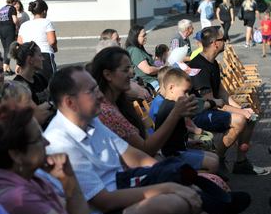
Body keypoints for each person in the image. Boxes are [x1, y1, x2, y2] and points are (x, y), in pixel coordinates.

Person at [45, 65, 214, 214]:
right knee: (173, 204)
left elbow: (136, 157)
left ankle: (213, 201)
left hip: (124, 187)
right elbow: (104, 201)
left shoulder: (90, 119)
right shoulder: (60, 143)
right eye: (92, 91)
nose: (101, 96)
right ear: (69, 103)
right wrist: (168, 187)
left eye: (97, 88)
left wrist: (167, 174)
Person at [0, 102, 91, 214]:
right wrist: (70, 181)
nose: (47, 142)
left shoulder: (25, 177)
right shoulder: (19, 199)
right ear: (16, 154)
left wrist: (67, 178)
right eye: (38, 138)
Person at [188, 26, 270, 175]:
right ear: (215, 43)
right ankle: (217, 159)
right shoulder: (198, 66)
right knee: (239, 120)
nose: (226, 41)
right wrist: (241, 112)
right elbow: (212, 102)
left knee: (251, 116)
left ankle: (241, 162)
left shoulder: (213, 63)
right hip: (198, 114)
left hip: (212, 107)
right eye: (223, 39)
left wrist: (244, 109)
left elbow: (222, 93)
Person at [90, 46, 197, 157]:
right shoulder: (107, 112)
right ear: (108, 74)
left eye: (131, 68)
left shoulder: (119, 104)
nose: (132, 74)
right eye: (126, 70)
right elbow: (146, 150)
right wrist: (175, 113)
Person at [155, 68, 219, 173]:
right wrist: (212, 103)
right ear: (171, 88)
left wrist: (189, 143)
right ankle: (199, 184)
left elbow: (174, 138)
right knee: (213, 163)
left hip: (179, 150)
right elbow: (167, 145)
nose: (187, 96)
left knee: (214, 157)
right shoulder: (171, 108)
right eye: (185, 92)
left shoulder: (172, 106)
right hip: (172, 156)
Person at [9, 41, 54, 128]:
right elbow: (30, 116)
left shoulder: (40, 78)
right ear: (30, 60)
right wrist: (51, 104)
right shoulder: (18, 86)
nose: (43, 59)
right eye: (40, 55)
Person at [18, 0, 57, 81]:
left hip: (28, 57)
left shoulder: (24, 25)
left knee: (32, 82)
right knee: (49, 82)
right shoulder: (46, 22)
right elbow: (52, 41)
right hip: (44, 54)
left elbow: (20, 43)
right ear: (44, 11)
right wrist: (55, 48)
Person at [126, 25, 160, 91]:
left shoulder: (139, 48)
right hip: (149, 83)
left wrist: (160, 61)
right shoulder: (134, 50)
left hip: (152, 80)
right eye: (143, 35)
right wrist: (161, 69)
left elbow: (152, 61)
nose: (145, 37)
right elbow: (148, 70)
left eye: (145, 35)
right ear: (135, 37)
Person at [0, 0, 18, 75]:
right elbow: (15, 20)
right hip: (9, 29)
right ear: (13, 2)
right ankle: (4, 69)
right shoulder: (12, 8)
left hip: (0, 29)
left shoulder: (1, 9)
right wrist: (17, 25)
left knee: (6, 48)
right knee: (9, 49)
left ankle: (7, 68)